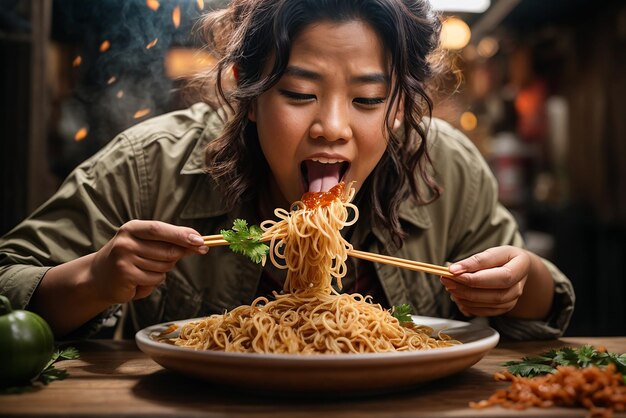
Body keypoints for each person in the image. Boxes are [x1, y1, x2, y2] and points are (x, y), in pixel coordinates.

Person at [0, 0, 573, 340]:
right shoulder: (152, 164)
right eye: (299, 93)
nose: (331, 126)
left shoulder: (446, 167)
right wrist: (95, 279)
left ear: (400, 107)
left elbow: (540, 313)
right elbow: (9, 278)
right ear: (247, 97)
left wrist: (520, 282)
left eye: (368, 101)